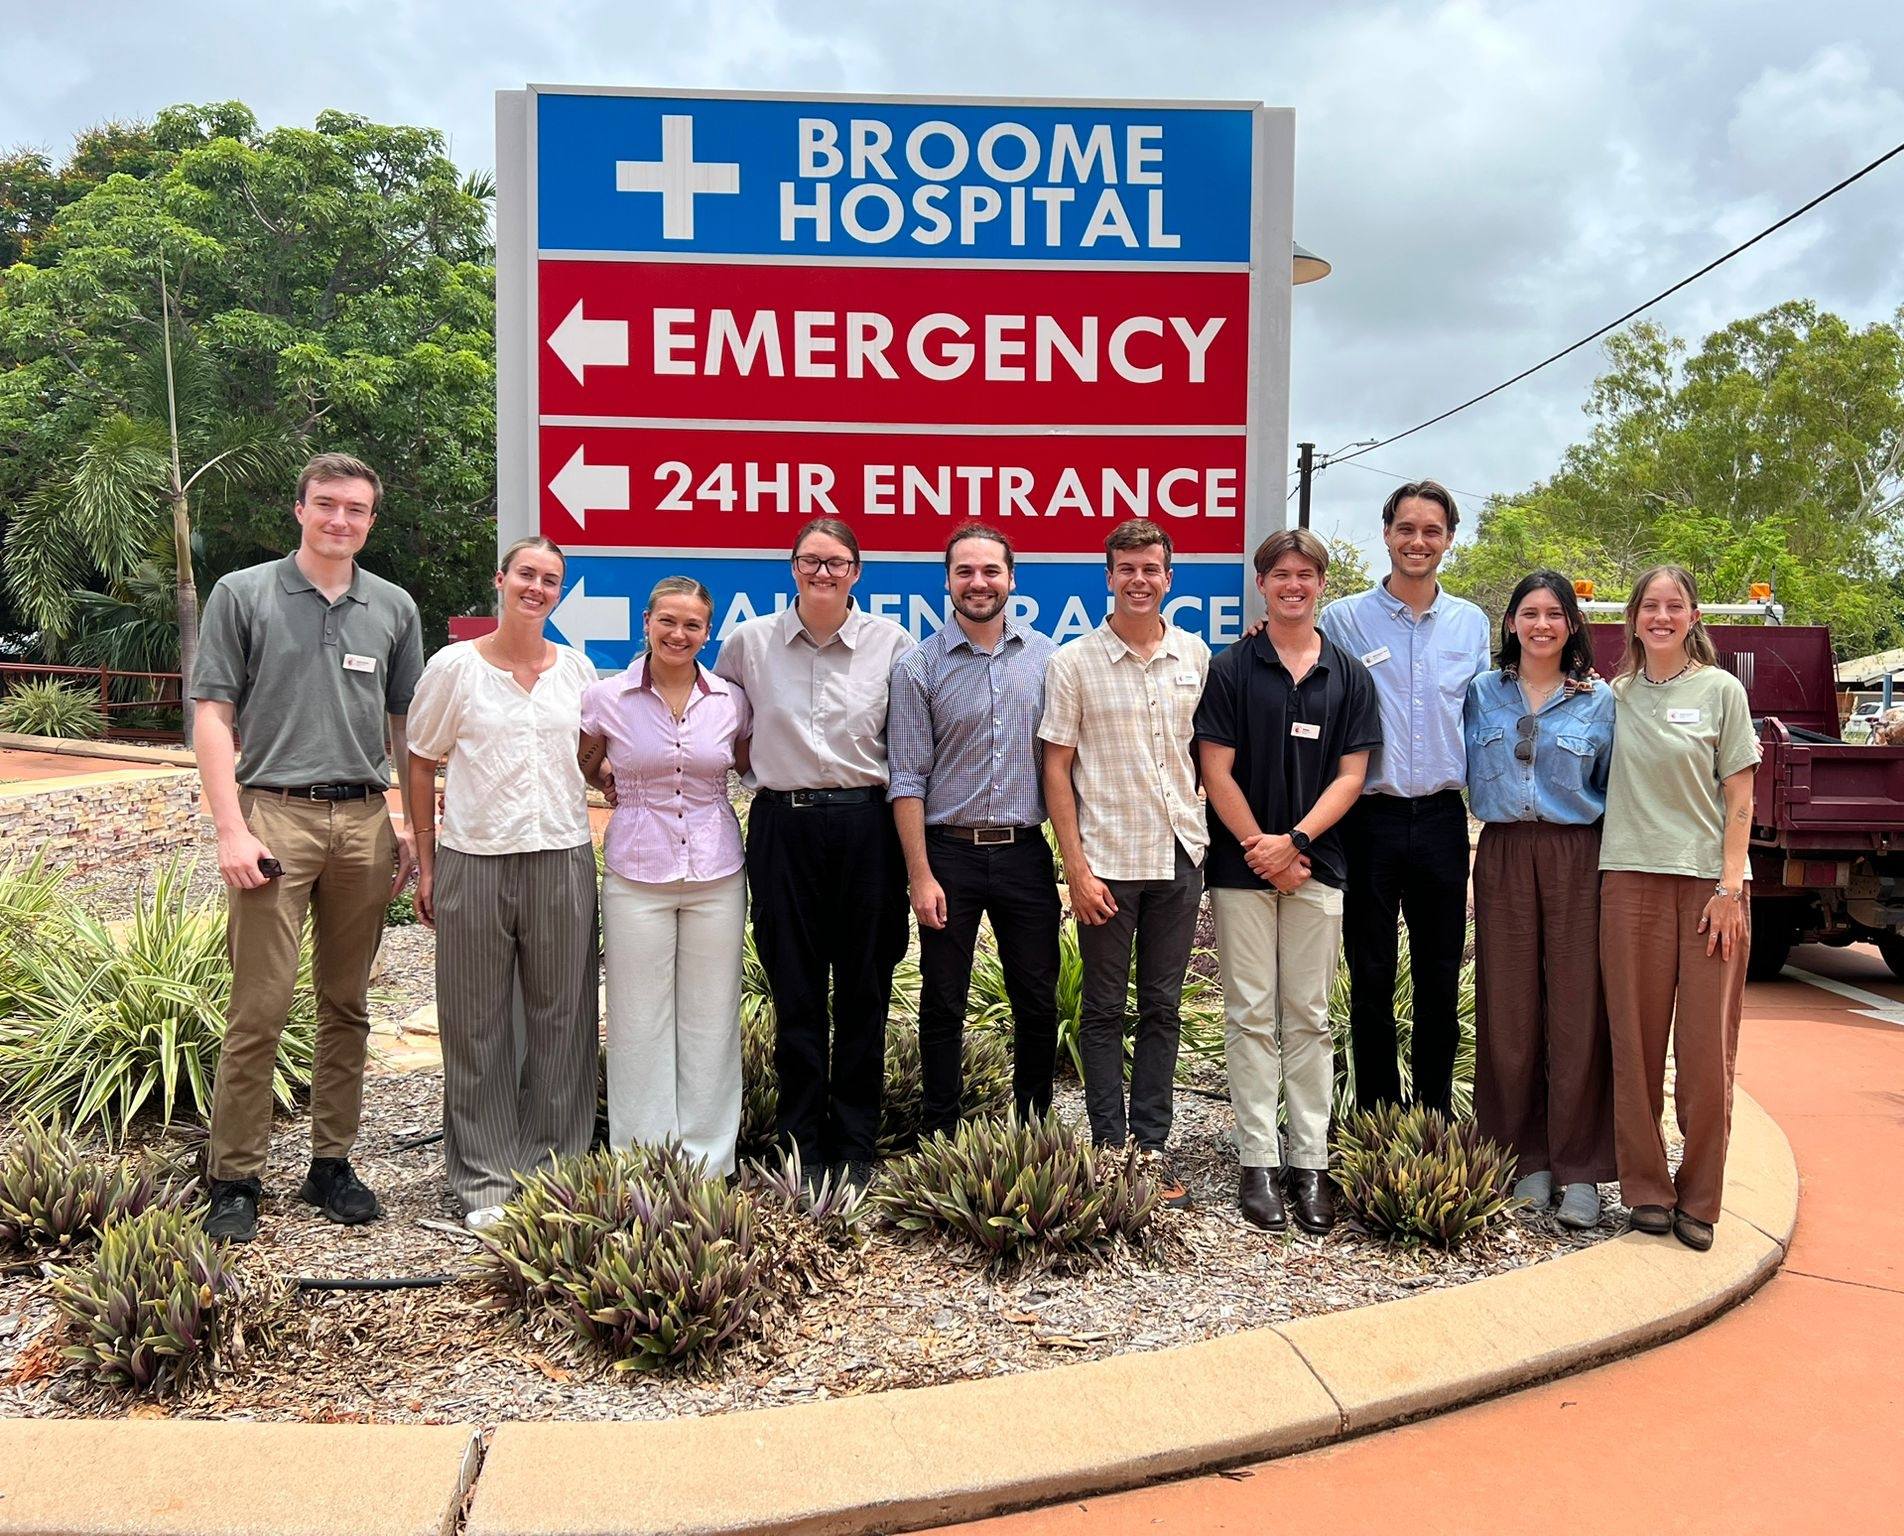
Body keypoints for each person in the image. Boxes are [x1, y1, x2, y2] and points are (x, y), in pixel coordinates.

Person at [191, 453, 424, 1243]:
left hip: (362, 821)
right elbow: (214, 716)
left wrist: (410, 826)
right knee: (259, 1005)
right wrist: (230, 826)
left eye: (356, 510)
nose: (340, 521)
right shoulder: (243, 594)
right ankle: (235, 1175)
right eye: (326, 505)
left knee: (346, 1004)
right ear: (299, 509)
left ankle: (331, 1163)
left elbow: (405, 729)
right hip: (274, 816)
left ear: (370, 521)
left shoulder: (392, 607)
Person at [403, 537, 600, 1230]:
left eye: (550, 579)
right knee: (475, 1022)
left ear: (559, 591)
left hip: (562, 857)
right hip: (474, 859)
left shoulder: (575, 670)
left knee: (564, 1019)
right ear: (501, 580)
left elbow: (594, 756)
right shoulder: (456, 668)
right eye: (527, 574)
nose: (537, 588)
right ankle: (484, 1180)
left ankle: (555, 1168)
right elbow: (421, 760)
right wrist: (426, 862)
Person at [714, 519, 913, 1193]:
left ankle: (856, 1142)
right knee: (794, 991)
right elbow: (725, 728)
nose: (822, 572)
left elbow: (908, 745)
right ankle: (802, 1142)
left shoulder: (891, 643)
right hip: (784, 827)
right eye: (810, 561)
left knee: (864, 990)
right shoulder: (749, 643)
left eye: (836, 562)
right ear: (792, 568)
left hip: (867, 829)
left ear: (857, 571)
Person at [1196, 528, 1380, 1233]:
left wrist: (1297, 842)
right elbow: (1216, 770)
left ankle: (1310, 1164)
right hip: (1242, 870)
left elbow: (1353, 774)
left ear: (1320, 584)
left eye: (1306, 574)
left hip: (1318, 868)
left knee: (1307, 1018)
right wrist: (1261, 848)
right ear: (1262, 583)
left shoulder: (1349, 675)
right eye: (1281, 574)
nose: (1293, 585)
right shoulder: (1232, 669)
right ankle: (1258, 1163)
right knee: (1249, 1015)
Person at [1040, 518, 1210, 1207]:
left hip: (1178, 853)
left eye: (1152, 569)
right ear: (1108, 578)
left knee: (1163, 1006)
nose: (1140, 581)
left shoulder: (1196, 656)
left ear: (1169, 578)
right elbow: (1056, 768)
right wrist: (1074, 868)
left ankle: (1153, 1144)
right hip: (1106, 859)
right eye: (1127, 569)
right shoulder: (1074, 662)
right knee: (1105, 1009)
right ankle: (1110, 1148)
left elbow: (1211, 756)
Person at [1599, 565, 1758, 1252]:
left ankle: (1700, 1196)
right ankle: (1646, 1192)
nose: (1661, 616)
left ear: (1694, 617)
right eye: (1650, 606)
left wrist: (1730, 889)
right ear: (1633, 618)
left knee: (1704, 1055)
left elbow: (1741, 799)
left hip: (1706, 892)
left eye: (1675, 606)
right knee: (1632, 1048)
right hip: (1627, 880)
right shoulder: (1616, 695)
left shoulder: (1722, 692)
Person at [1318, 481, 1490, 1113]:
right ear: (1386, 533)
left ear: (1448, 539)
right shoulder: (1342, 619)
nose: (1419, 542)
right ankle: (1378, 1116)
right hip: (1369, 821)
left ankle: (1436, 1115)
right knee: (1369, 975)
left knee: (1440, 973)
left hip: (1445, 820)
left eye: (1432, 531)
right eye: (1407, 529)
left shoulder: (1471, 623)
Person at [888, 524, 1060, 1138]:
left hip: (1025, 855)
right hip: (948, 856)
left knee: (1037, 1003)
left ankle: (1033, 1129)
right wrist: (920, 875)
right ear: (948, 582)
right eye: (965, 572)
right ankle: (941, 1135)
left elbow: (1063, 762)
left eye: (991, 571)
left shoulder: (1048, 659)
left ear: (1012, 580)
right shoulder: (919, 667)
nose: (978, 582)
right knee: (942, 1002)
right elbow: (906, 777)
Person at [580, 577, 752, 1178]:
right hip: (636, 871)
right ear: (646, 622)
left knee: (711, 1015)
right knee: (637, 1017)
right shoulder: (605, 697)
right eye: (668, 621)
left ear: (708, 633)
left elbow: (747, 762)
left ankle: (708, 1163)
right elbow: (583, 760)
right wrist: (611, 781)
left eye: (693, 625)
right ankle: (643, 1161)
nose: (679, 634)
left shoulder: (731, 699)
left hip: (717, 872)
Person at [1463, 571, 1618, 1230]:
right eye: (1529, 613)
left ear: (1573, 625)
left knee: (1579, 1009)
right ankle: (1525, 1159)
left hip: (1576, 855)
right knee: (1510, 1007)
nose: (1542, 625)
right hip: (1502, 854)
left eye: (1555, 614)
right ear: (1511, 624)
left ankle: (1579, 1167)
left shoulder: (1600, 702)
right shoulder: (1480, 695)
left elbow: (1615, 785)